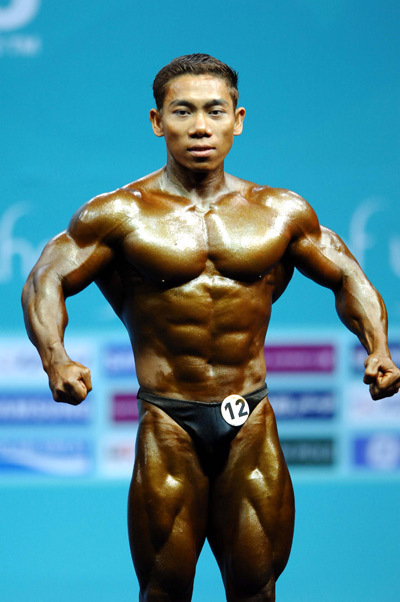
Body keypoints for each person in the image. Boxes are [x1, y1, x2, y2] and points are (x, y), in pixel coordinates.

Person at [22, 54, 400, 602]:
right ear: (157, 122)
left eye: (214, 111)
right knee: (164, 590)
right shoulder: (120, 214)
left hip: (250, 418)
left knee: (256, 588)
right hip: (169, 420)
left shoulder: (280, 211)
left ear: (237, 120)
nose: (200, 126)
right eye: (183, 111)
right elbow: (46, 279)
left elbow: (347, 275)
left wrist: (378, 347)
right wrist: (55, 357)